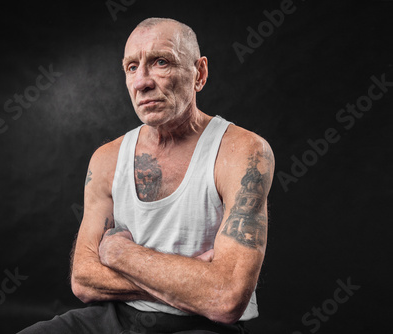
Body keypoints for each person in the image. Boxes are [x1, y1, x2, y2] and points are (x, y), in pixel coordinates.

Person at [18, 17, 274, 334]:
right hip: (114, 318)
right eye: (131, 67)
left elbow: (226, 298)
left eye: (160, 62)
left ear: (200, 73)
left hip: (202, 325)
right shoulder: (107, 158)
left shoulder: (244, 152)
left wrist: (119, 253)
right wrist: (192, 281)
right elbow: (83, 278)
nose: (142, 82)